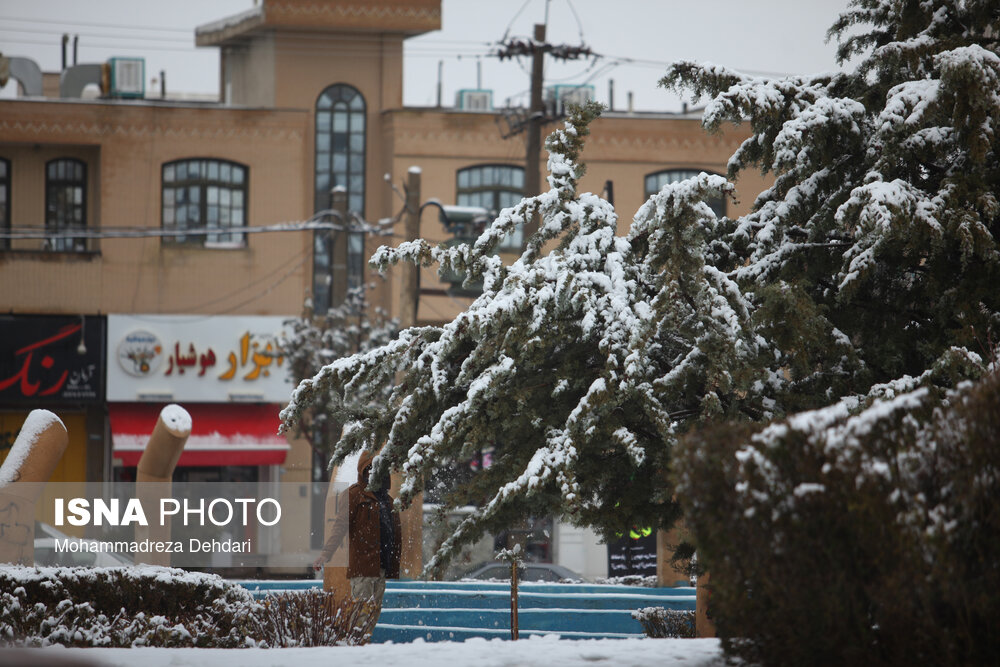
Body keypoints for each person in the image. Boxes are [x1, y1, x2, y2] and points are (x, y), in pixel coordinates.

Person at [313, 450, 401, 611]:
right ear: (363, 471)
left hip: (381, 566)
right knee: (360, 613)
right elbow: (340, 527)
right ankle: (358, 637)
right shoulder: (354, 495)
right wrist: (325, 554)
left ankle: (367, 637)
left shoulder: (388, 500)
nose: (375, 473)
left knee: (374, 611)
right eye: (371, 469)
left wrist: (393, 563)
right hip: (363, 567)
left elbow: (394, 534)